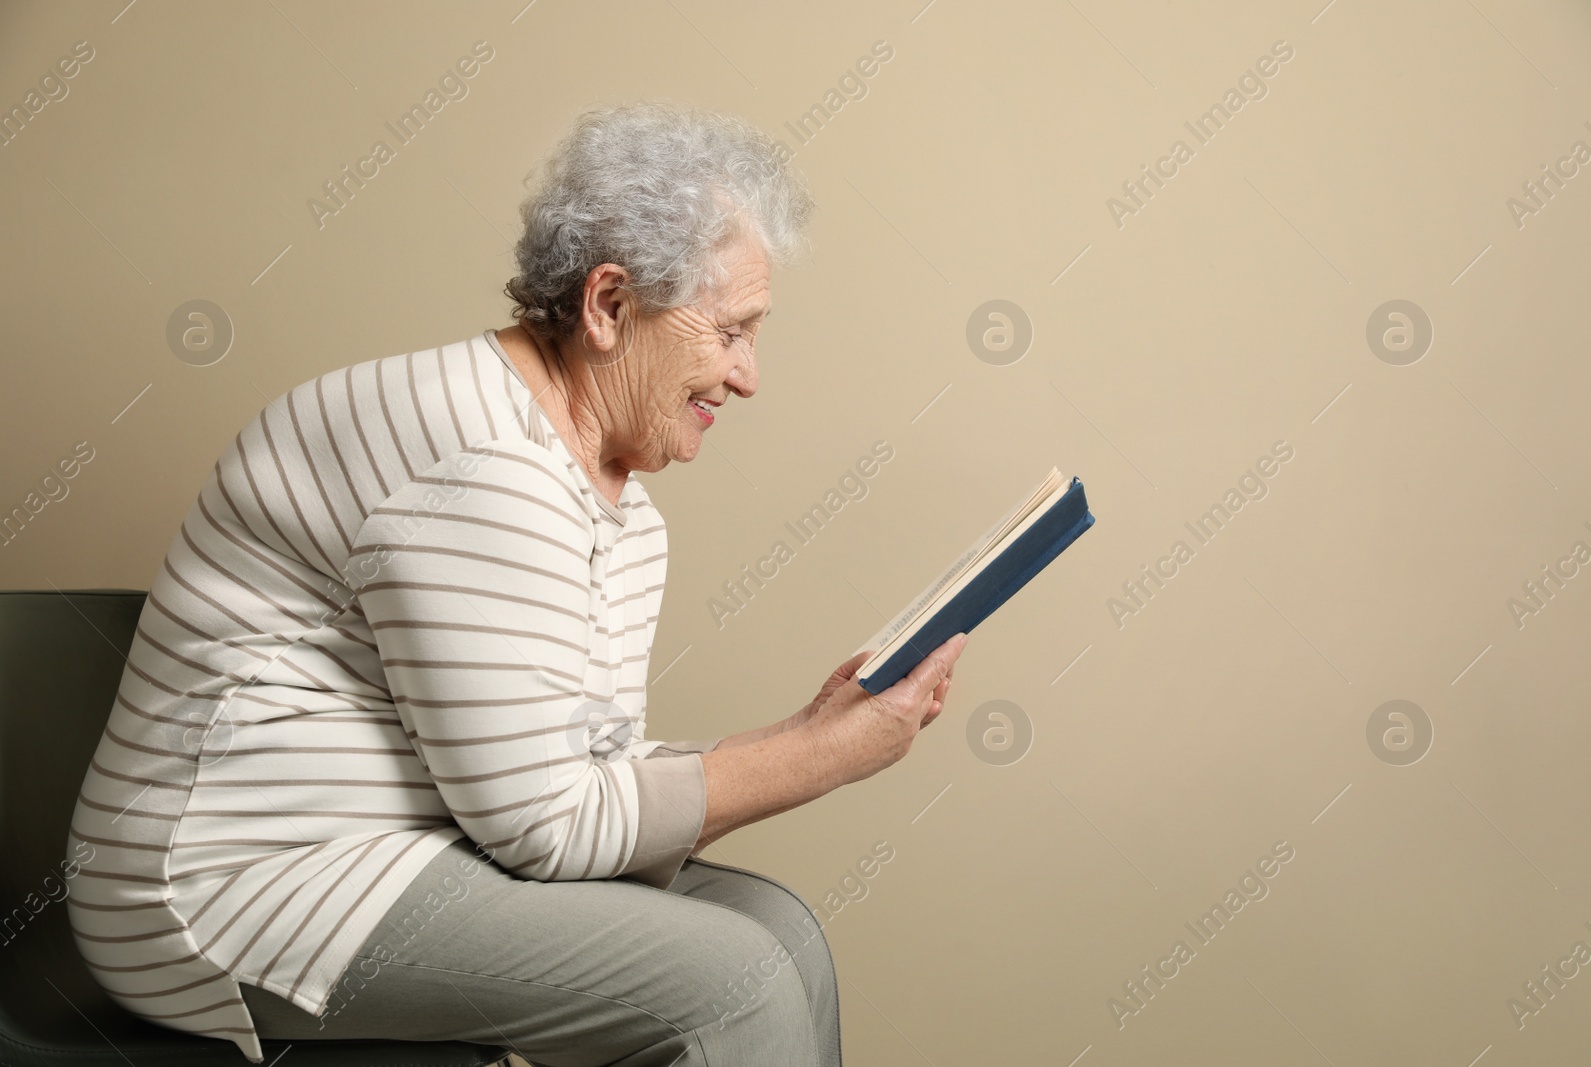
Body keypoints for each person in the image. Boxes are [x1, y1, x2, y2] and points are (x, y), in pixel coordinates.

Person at [66, 101, 966, 1067]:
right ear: (610, 307)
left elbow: (575, 768)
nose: (748, 377)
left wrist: (804, 729)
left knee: (782, 936)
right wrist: (823, 759)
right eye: (732, 332)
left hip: (420, 841)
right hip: (227, 884)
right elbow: (551, 825)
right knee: (734, 988)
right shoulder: (480, 460)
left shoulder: (608, 492)